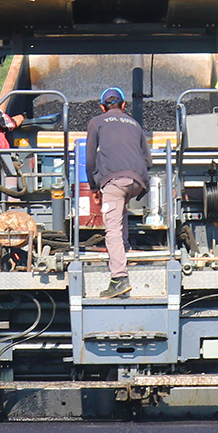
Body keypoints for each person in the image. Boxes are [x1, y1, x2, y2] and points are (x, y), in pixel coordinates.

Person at [87, 86, 148, 299]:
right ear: (123, 105)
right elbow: (148, 161)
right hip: (138, 180)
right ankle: (125, 249)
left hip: (114, 181)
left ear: (102, 107)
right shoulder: (135, 124)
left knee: (111, 228)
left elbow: (90, 160)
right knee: (120, 213)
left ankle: (119, 278)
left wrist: (94, 186)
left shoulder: (96, 122)